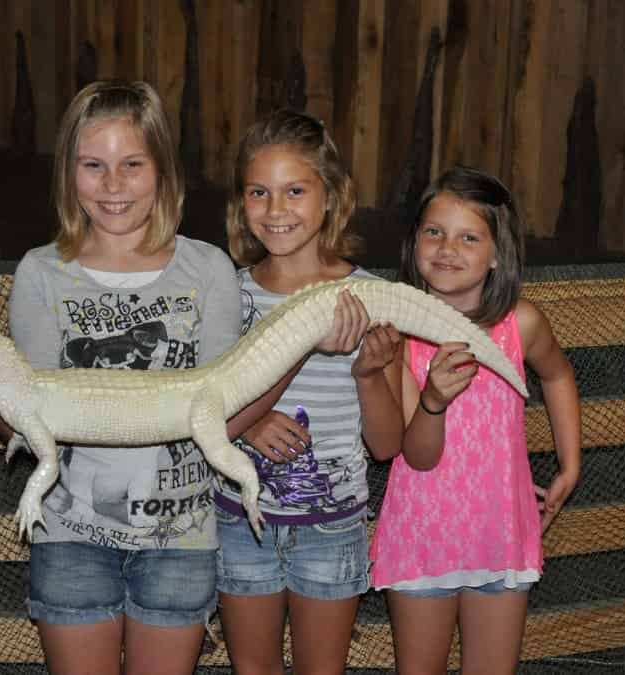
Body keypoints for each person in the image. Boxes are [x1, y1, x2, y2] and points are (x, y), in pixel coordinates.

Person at [0, 80, 261, 675]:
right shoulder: (41, 272)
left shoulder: (209, 268)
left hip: (181, 532)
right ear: (69, 173)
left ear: (163, 170)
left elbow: (225, 404)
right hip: (70, 532)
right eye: (94, 165)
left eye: (132, 165)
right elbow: (24, 414)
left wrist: (290, 365)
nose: (113, 186)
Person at [369, 165, 581, 674]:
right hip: (423, 535)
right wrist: (433, 402)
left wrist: (570, 466)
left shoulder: (521, 325)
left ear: (495, 256)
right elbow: (416, 456)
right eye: (434, 232)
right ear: (414, 243)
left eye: (469, 237)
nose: (447, 248)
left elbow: (557, 377)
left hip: (500, 532)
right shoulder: (399, 335)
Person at [214, 108, 404, 675]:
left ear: (331, 196)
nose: (276, 211)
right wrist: (248, 422)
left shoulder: (372, 297)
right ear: (241, 204)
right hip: (238, 517)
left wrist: (368, 374)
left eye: (295, 190)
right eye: (259, 192)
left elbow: (388, 446)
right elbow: (208, 410)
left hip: (333, 526)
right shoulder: (230, 295)